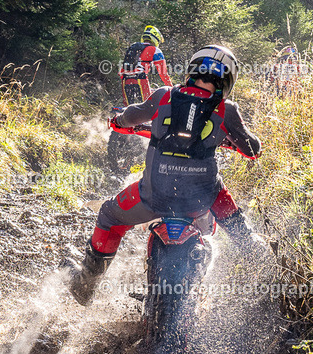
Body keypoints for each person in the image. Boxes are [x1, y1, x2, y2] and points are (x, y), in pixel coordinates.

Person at [64, 44, 263, 305]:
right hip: (201, 200)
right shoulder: (228, 110)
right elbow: (253, 150)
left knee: (109, 216)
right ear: (227, 79)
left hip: (153, 196)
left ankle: (86, 285)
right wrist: (230, 138)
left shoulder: (163, 96)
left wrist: (118, 120)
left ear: (193, 69)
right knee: (221, 197)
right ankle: (261, 269)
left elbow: (127, 118)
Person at [119, 25, 172, 105]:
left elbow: (121, 71)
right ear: (156, 38)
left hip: (125, 80)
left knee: (127, 110)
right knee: (147, 109)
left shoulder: (134, 48)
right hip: (141, 79)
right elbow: (163, 73)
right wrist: (172, 89)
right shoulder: (155, 50)